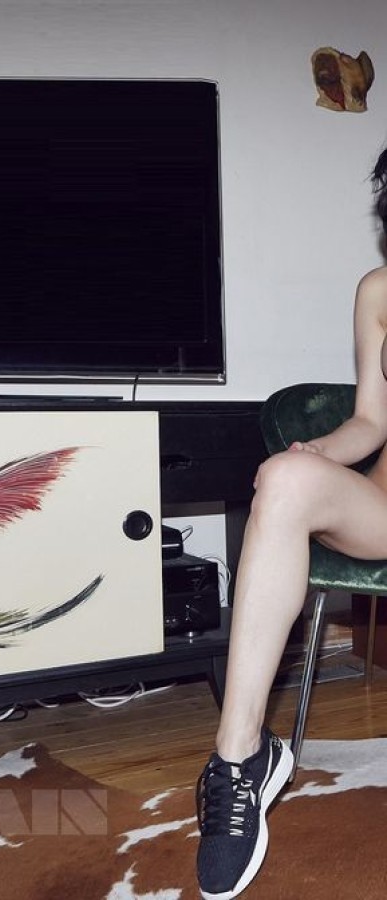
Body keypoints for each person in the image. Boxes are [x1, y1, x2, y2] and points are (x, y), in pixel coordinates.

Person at [195, 146, 387, 900]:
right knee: (282, 479)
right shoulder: (378, 289)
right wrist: (319, 452)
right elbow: (371, 421)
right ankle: (239, 756)